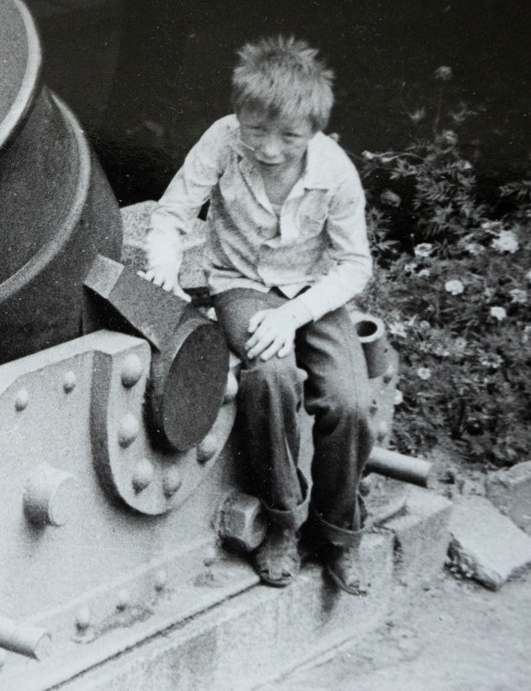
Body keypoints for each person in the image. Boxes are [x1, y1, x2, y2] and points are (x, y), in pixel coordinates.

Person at [143, 35, 375, 593]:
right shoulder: (221, 141)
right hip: (242, 284)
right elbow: (172, 214)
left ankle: (338, 533)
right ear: (239, 116)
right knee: (270, 378)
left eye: (289, 136)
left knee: (350, 401)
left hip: (312, 293)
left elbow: (354, 265)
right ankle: (283, 522)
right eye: (256, 130)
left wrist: (294, 316)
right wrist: (163, 267)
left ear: (314, 129)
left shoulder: (336, 173)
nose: (269, 149)